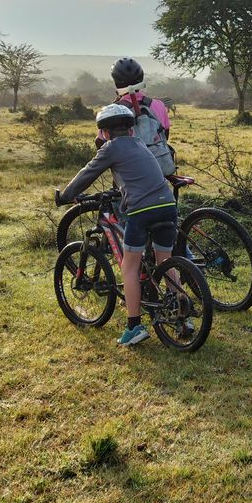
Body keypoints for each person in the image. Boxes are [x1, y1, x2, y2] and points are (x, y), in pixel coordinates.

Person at [58, 104, 179, 347]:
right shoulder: (140, 144)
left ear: (104, 132)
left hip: (142, 211)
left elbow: (87, 173)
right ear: (130, 128)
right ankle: (181, 314)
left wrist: (64, 195)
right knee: (165, 262)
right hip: (168, 205)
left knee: (129, 267)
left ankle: (134, 326)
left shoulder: (111, 149)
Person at [99, 57, 175, 175]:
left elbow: (101, 142)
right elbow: (165, 137)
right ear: (141, 77)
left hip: (129, 174)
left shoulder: (114, 110)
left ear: (116, 82)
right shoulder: (159, 105)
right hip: (159, 170)